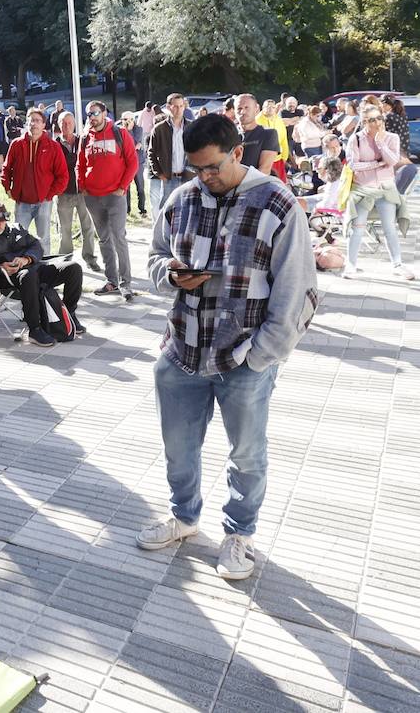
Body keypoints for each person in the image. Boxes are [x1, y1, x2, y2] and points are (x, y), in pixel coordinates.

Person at [141, 113, 318, 581]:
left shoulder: (277, 203)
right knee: (178, 448)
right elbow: (156, 257)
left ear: (237, 153)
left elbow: (297, 290)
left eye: (213, 167)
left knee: (247, 454)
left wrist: (261, 355)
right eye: (196, 169)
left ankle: (240, 534)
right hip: (181, 352)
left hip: (243, 359)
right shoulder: (181, 199)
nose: (205, 177)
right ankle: (184, 517)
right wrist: (171, 275)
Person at [0, 201, 84, 347]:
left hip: (34, 268)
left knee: (74, 268)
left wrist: (26, 258)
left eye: (3, 220)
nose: (1, 224)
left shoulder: (16, 229)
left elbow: (36, 246)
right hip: (7, 278)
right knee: (28, 275)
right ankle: (34, 329)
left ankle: (69, 315)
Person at [78, 100, 139, 300]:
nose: (92, 117)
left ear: (104, 113)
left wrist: (123, 187)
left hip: (115, 196)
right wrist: (82, 187)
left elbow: (133, 163)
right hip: (92, 198)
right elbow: (80, 164)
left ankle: (126, 283)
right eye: (89, 114)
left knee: (119, 237)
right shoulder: (86, 137)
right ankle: (111, 281)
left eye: (95, 113)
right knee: (104, 239)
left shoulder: (120, 133)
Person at [343, 108, 413, 280]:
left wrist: (380, 143)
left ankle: (397, 264)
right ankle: (351, 265)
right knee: (357, 228)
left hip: (385, 189)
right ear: (364, 121)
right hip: (362, 189)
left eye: (378, 118)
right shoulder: (356, 139)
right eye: (370, 120)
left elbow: (392, 161)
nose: (376, 123)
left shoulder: (391, 137)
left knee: (390, 228)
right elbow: (353, 165)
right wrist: (376, 163)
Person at [0, 108, 66, 255]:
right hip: (22, 202)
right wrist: (8, 188)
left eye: (37, 121)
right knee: (17, 238)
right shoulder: (17, 144)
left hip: (44, 202)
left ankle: (45, 270)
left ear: (44, 125)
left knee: (43, 239)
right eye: (31, 120)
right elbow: (6, 168)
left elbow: (62, 176)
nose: (33, 124)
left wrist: (49, 195)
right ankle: (21, 271)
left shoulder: (53, 146)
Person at [53, 112, 100, 272]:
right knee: (65, 230)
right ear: (59, 125)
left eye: (69, 123)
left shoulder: (82, 141)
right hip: (63, 193)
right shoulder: (55, 145)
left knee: (88, 227)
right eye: (63, 123)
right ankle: (65, 262)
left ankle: (90, 258)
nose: (67, 125)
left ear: (74, 124)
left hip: (83, 192)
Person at [148, 93, 192, 212]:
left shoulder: (192, 127)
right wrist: (159, 173)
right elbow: (151, 153)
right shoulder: (159, 129)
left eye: (181, 106)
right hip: (169, 177)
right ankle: (164, 231)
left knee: (188, 207)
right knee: (167, 209)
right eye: (175, 106)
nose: (178, 109)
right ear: (168, 107)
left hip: (188, 176)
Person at [235, 95, 280, 178]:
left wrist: (240, 188)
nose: (242, 112)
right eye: (239, 109)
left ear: (256, 109)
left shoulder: (268, 133)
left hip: (255, 185)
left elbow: (264, 169)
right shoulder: (228, 135)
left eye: (246, 108)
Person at [254, 99, 290, 181]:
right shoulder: (256, 121)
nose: (270, 109)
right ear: (263, 108)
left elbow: (284, 139)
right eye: (267, 107)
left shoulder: (279, 120)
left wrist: (284, 157)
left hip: (278, 159)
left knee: (280, 183)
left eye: (273, 107)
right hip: (262, 160)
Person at [121, 111, 149, 216]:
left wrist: (129, 131)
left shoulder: (139, 129)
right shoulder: (119, 130)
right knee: (126, 187)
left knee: (140, 187)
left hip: (138, 162)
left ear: (134, 120)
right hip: (124, 163)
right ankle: (127, 210)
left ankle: (142, 209)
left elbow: (134, 143)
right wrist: (126, 130)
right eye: (125, 119)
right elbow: (127, 146)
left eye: (130, 119)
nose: (128, 122)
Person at [383, 97, 411, 161]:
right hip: (404, 144)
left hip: (392, 144)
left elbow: (385, 129)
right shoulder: (404, 116)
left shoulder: (389, 116)